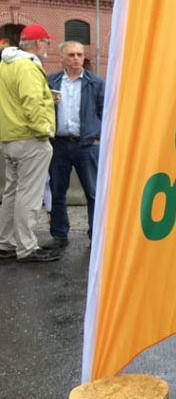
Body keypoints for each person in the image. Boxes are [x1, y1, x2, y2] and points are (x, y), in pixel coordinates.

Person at [0, 25, 62, 262]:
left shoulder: (5, 64)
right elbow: (31, 101)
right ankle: (27, 247)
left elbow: (15, 98)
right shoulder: (28, 66)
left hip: (10, 136)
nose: (48, 47)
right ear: (38, 43)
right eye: (47, 42)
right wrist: (44, 131)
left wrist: (47, 96)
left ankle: (6, 243)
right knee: (30, 194)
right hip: (30, 138)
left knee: (12, 193)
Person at [46, 40, 104, 245]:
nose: (76, 58)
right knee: (57, 191)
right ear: (62, 57)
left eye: (79, 54)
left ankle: (95, 237)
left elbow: (105, 112)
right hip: (59, 144)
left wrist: (98, 137)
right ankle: (59, 234)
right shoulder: (51, 82)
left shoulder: (95, 82)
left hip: (86, 145)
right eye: (71, 55)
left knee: (93, 192)